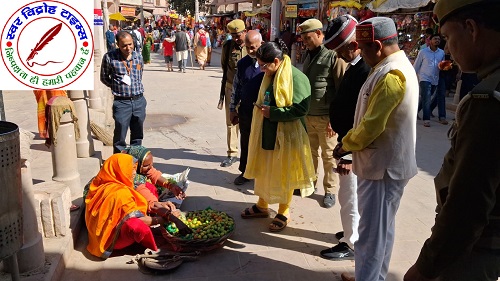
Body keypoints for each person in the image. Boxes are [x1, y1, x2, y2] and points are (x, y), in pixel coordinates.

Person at [404, 0, 500, 280]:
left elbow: (468, 205)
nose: (447, 48)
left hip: (473, 251)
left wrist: (425, 267)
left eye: (448, 37)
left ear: (470, 28)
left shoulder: (488, 100)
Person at [333, 17, 419, 281]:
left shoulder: (392, 74)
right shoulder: (388, 67)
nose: (360, 52)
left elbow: (372, 126)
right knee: (381, 233)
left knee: (370, 237)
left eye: (364, 47)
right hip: (383, 165)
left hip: (382, 168)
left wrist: (345, 145)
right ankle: (371, 278)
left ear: (378, 46)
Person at [241, 40, 316, 232]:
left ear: (276, 61)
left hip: (287, 135)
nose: (262, 70)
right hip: (268, 131)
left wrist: (273, 113)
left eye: (264, 66)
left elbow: (301, 109)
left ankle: (284, 211)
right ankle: (262, 205)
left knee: (284, 174)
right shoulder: (272, 74)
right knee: (265, 169)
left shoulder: (297, 78)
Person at [320, 14, 370, 260]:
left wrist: (348, 153)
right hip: (347, 143)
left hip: (353, 149)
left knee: (349, 196)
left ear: (353, 45)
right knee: (348, 195)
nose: (338, 57)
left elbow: (363, 119)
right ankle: (351, 232)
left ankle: (351, 244)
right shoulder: (356, 66)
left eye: (340, 51)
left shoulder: (366, 70)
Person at [85, 154, 175, 259]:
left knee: (148, 189)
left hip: (98, 234)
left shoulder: (101, 183)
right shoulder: (120, 194)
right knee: (136, 226)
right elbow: (139, 220)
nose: (133, 173)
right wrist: (163, 220)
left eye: (134, 169)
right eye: (131, 169)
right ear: (119, 170)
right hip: (110, 240)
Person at [298, 18, 346, 208]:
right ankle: (310, 183)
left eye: (308, 38)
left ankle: (330, 190)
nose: (306, 42)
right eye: (303, 39)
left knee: (328, 156)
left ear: (319, 34)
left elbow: (342, 88)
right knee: (309, 153)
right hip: (309, 115)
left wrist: (335, 120)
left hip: (327, 118)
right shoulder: (308, 55)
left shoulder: (333, 56)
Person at [100, 31, 147, 154]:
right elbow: (104, 77)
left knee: (137, 134)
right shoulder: (109, 57)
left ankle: (135, 160)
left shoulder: (138, 57)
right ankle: (119, 164)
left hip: (139, 101)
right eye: (124, 45)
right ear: (118, 45)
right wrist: (117, 86)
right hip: (121, 103)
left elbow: (139, 74)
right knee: (120, 136)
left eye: (130, 44)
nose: (128, 48)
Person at [228, 30, 264, 185]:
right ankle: (245, 171)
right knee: (246, 141)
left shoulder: (269, 61)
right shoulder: (242, 63)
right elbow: (236, 87)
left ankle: (263, 174)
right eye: (248, 47)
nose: (250, 51)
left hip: (264, 112)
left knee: (263, 143)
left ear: (261, 44)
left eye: (253, 47)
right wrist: (232, 109)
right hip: (246, 111)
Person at [220, 19, 247, 167]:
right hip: (231, 88)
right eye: (233, 35)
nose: (236, 38)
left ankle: (247, 154)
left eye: (238, 35)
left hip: (249, 90)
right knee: (231, 122)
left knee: (248, 122)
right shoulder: (228, 47)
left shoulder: (252, 45)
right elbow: (224, 66)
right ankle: (232, 153)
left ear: (245, 32)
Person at [414, 34, 445, 127]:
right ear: (430, 41)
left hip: (435, 78)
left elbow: (442, 65)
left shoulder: (442, 53)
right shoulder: (423, 52)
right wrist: (412, 76)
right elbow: (417, 64)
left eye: (438, 39)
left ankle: (415, 111)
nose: (437, 40)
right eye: (435, 39)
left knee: (426, 97)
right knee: (427, 97)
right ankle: (426, 119)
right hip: (424, 77)